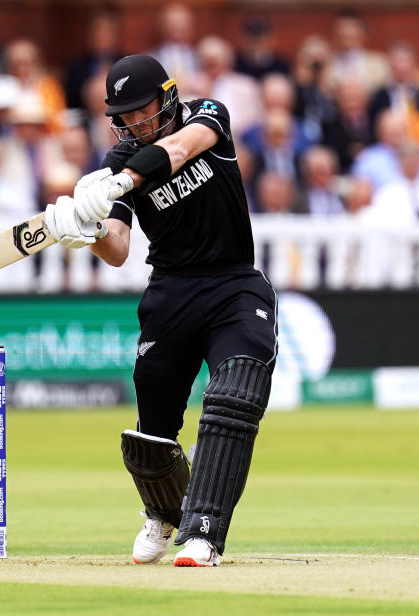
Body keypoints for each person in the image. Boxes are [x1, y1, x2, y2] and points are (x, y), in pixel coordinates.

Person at [43, 55, 276, 567]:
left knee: (233, 395)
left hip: (234, 286)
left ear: (168, 97)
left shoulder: (207, 115)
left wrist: (121, 181)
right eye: (122, 116)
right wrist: (88, 231)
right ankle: (163, 513)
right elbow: (120, 246)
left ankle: (203, 532)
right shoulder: (116, 162)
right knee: (152, 434)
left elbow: (178, 149)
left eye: (140, 110)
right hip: (171, 295)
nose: (132, 124)